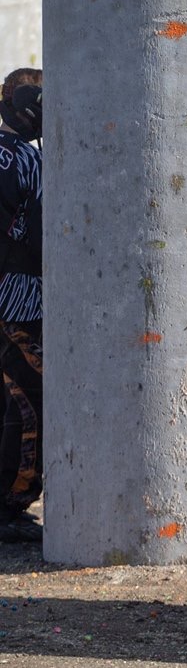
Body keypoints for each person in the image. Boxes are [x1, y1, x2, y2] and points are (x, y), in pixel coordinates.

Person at [0, 67, 43, 544]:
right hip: (19, 300)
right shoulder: (27, 161)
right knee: (36, 401)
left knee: (11, 401)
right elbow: (42, 235)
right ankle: (10, 505)